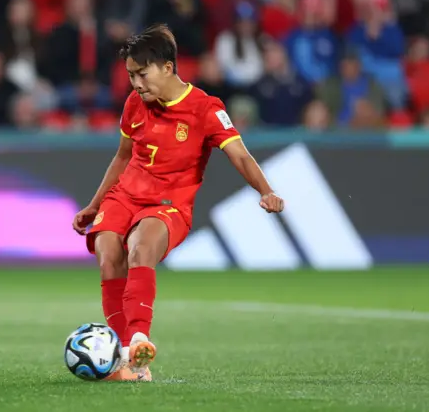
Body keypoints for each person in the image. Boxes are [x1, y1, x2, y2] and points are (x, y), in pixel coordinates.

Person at [71, 24, 285, 382]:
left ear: (168, 67)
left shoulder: (205, 109)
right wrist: (95, 204)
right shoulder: (135, 104)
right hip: (125, 195)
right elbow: (123, 156)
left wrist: (265, 190)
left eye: (142, 74)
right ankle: (128, 360)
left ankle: (138, 340)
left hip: (169, 204)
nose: (136, 84)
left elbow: (241, 156)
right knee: (108, 253)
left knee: (141, 248)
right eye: (131, 76)